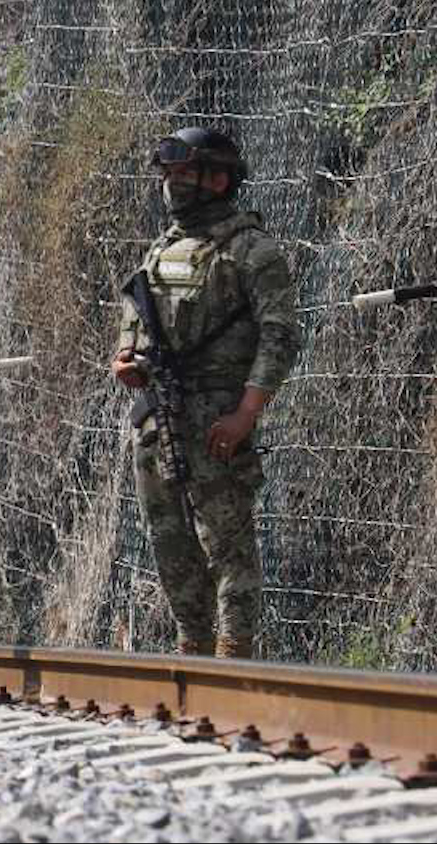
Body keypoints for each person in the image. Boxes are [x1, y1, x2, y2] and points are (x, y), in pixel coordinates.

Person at [110, 127, 299, 659]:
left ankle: (234, 653)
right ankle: (192, 647)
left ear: (218, 179)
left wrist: (246, 413)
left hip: (217, 419)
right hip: (158, 417)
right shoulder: (163, 247)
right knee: (169, 543)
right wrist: (127, 360)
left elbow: (280, 334)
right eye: (167, 174)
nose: (171, 184)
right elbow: (139, 320)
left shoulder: (251, 250)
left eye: (184, 173)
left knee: (227, 543)